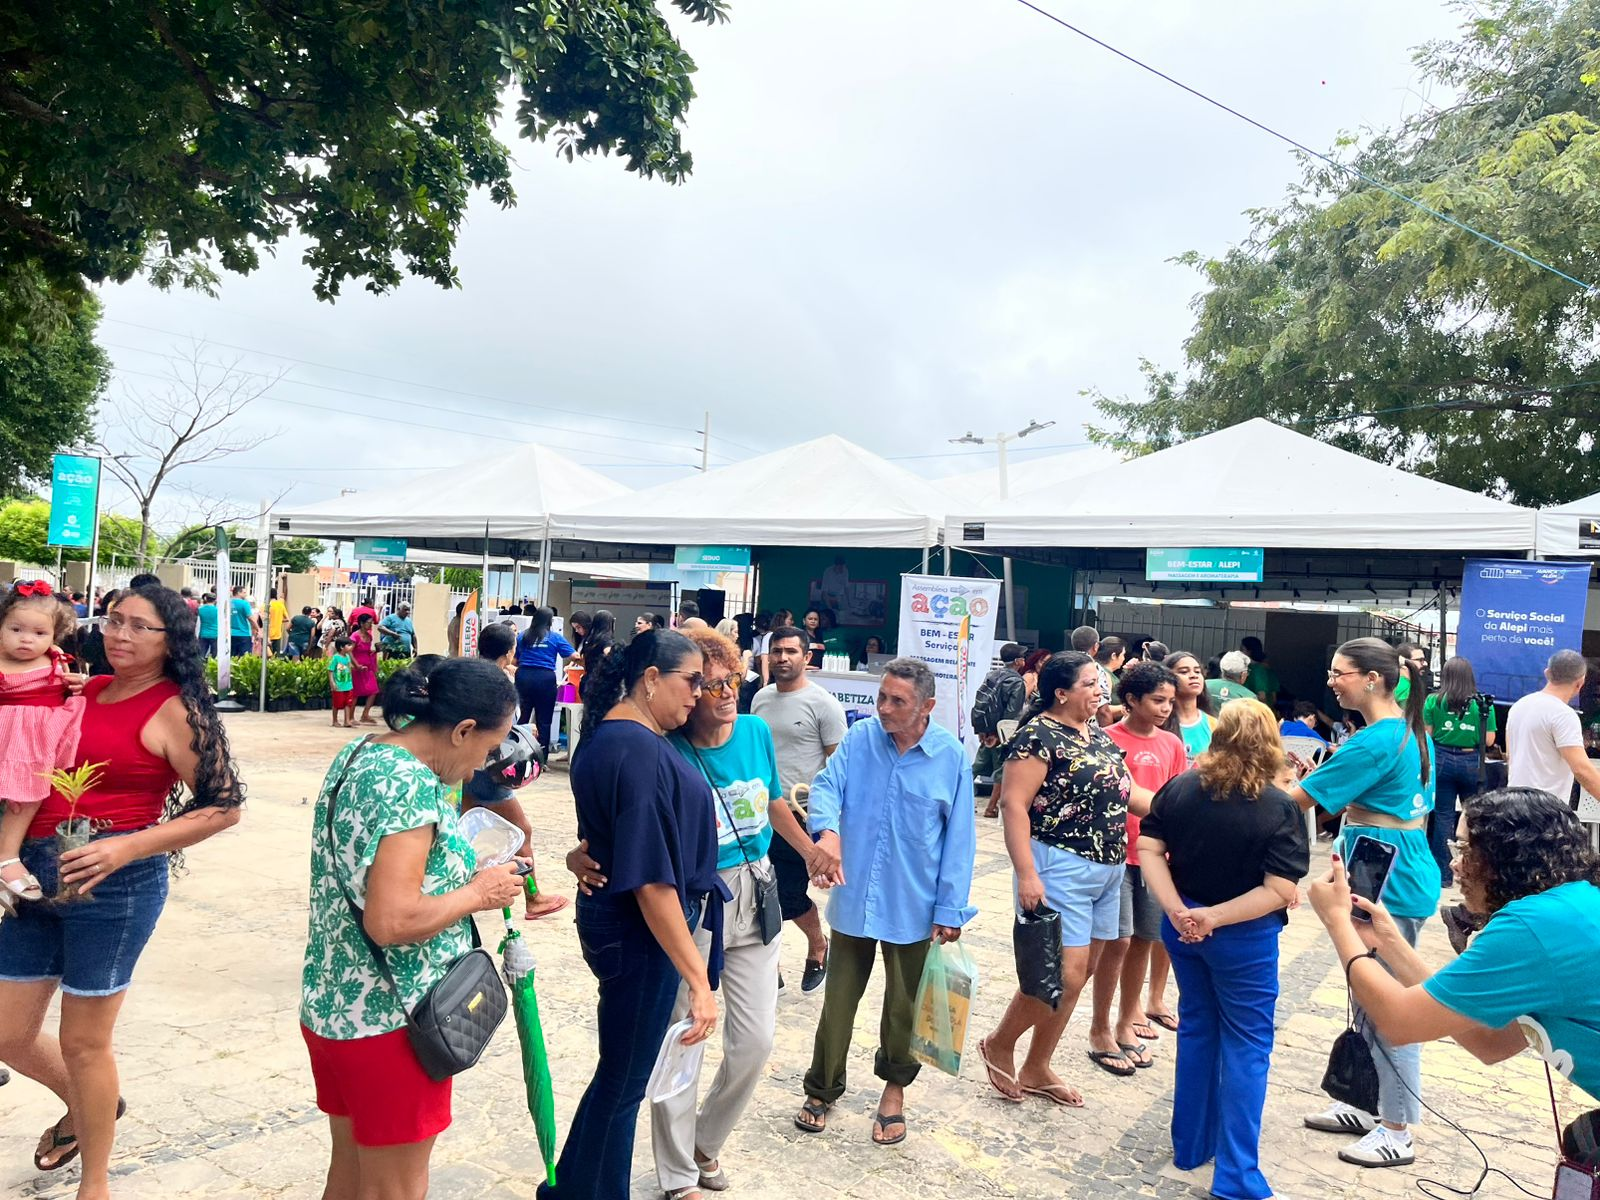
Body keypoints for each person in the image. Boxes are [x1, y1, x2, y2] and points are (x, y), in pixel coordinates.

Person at [0, 584, 244, 1192]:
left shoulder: (177, 710)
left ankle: (97, 1182)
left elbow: (225, 806)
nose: (120, 635)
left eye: (140, 627)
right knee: (6, 1033)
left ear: (172, 642)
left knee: (85, 1042)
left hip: (115, 885)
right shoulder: (85, 688)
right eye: (114, 621)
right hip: (34, 874)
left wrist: (129, 843)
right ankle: (93, 1108)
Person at [300, 657, 527, 1200]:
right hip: (395, 1020)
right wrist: (480, 893)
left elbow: (375, 877)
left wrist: (460, 872)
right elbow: (393, 920)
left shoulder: (363, 752)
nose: (480, 767)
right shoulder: (411, 789)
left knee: (350, 1178)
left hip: (336, 1007)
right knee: (394, 1189)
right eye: (486, 749)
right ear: (462, 730)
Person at [1308, 787, 1600, 1156]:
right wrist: (1388, 943)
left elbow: (1401, 1023)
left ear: (1507, 855)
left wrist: (1337, 922)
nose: (1454, 864)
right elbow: (1491, 1043)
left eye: (1465, 850)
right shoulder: (1571, 905)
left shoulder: (1532, 926)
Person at [539, 631, 727, 1200]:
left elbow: (610, 841)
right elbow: (651, 881)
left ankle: (570, 1187)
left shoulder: (614, 740)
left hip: (620, 925)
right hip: (639, 931)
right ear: (651, 679)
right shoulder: (636, 750)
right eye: (692, 681)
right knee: (624, 1084)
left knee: (618, 1078)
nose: (700, 693)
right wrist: (699, 981)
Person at [650, 626, 833, 1199]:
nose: (727, 693)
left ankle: (705, 1142)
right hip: (696, 900)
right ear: (687, 694)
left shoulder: (754, 731)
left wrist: (809, 852)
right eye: (710, 686)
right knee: (687, 1036)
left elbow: (773, 800)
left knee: (754, 1043)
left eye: (731, 680)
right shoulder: (667, 750)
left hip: (757, 889)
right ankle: (679, 1174)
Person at [794, 657, 976, 1145]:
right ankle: (822, 1087)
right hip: (854, 897)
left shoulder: (950, 757)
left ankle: (894, 1091)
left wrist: (950, 909)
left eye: (898, 701)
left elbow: (959, 841)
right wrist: (827, 832)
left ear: (927, 707)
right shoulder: (860, 739)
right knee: (838, 1001)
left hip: (913, 905)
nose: (885, 709)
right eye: (882, 697)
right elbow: (829, 785)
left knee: (904, 1007)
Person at [1138, 700, 1310, 1200]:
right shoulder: (1279, 807)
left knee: (1198, 1029)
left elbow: (1149, 848)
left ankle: (1190, 1145)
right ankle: (1236, 1175)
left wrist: (1177, 910)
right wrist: (1212, 918)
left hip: (1184, 924)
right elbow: (1280, 888)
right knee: (1247, 1046)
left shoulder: (1182, 787)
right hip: (1243, 936)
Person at [1282, 636, 1438, 1168]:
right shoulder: (1407, 730)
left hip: (1385, 874)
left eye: (1339, 671)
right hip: (1391, 865)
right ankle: (1367, 1104)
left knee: (1392, 1006)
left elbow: (1298, 800)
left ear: (1372, 678)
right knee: (1369, 993)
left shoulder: (1374, 741)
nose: (1331, 680)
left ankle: (1396, 1129)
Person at [978, 651, 1150, 1108]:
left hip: (1108, 869)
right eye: (1092, 683)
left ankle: (1037, 1066)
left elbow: (1130, 794)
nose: (1101, 690)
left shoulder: (1098, 736)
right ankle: (1000, 1042)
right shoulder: (1038, 736)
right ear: (1061, 692)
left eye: (1101, 683)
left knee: (1083, 971)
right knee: (1065, 974)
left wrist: (1191, 807)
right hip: (1060, 866)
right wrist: (1026, 874)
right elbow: (1014, 806)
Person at [1090, 662, 1186, 1073]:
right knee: (1118, 942)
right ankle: (1100, 1027)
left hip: (1155, 858)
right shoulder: (1106, 740)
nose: (1166, 708)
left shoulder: (1172, 745)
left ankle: (1128, 1020)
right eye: (1157, 700)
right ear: (1131, 700)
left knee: (1145, 939)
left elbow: (1178, 798)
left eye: (1169, 701)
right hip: (1114, 855)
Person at [751, 625, 848, 993]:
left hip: (800, 815)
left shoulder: (823, 704)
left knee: (789, 896)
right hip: (759, 813)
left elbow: (838, 770)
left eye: (791, 651)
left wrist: (831, 828)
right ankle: (768, 965)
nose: (782, 658)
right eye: (776, 651)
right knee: (757, 893)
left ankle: (818, 944)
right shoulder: (760, 699)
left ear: (807, 657)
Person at [463, 622, 567, 921]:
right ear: (509, 651)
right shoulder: (500, 683)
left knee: (467, 828)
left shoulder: (470, 675)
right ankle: (533, 897)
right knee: (522, 832)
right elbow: (499, 725)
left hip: (466, 767)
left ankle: (463, 884)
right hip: (491, 771)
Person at [0, 581, 86, 911]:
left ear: (54, 635)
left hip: (34, 744)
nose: (26, 639)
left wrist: (77, 686)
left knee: (28, 796)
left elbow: (73, 691)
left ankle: (7, 857)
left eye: (39, 633)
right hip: (5, 736)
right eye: (16, 629)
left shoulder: (57, 662)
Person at [1424, 657, 1496, 886]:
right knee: (1473, 818)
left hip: (1441, 758)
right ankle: (1472, 873)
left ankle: (1443, 877)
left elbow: (1427, 734)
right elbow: (1489, 739)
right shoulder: (1482, 703)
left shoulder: (1433, 701)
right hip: (1471, 760)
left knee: (1443, 816)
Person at [1507, 649, 1600, 803]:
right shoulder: (1563, 715)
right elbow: (1581, 769)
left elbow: (1510, 755)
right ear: (1580, 682)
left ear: (1547, 673)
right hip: (1544, 810)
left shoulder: (1519, 706)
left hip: (1513, 804)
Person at [973, 643, 1029, 820]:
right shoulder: (1017, 682)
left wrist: (983, 730)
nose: (1024, 660)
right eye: (1022, 657)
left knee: (976, 767)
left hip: (986, 730)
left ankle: (958, 797)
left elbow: (981, 702)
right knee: (1002, 770)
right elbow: (1013, 711)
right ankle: (990, 808)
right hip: (1001, 732)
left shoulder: (992, 675)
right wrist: (1000, 734)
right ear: (1018, 661)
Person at [514, 607, 575, 751]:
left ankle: (518, 752)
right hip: (545, 679)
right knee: (544, 720)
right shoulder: (555, 638)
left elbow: (515, 660)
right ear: (550, 621)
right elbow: (574, 656)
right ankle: (542, 758)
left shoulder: (522, 636)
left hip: (524, 677)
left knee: (522, 717)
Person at [1164, 651, 1216, 766]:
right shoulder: (1157, 722)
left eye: (1198, 671)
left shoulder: (1214, 725)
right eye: (1184, 672)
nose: (1194, 675)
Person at [351, 613, 382, 726]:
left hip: (367, 667)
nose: (370, 625)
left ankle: (365, 714)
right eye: (368, 623)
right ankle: (350, 716)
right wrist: (356, 665)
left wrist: (376, 651)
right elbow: (349, 652)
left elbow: (367, 651)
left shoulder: (369, 636)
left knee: (373, 690)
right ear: (361, 624)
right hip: (357, 667)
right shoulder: (355, 636)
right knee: (355, 693)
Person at [1093, 637, 1127, 726]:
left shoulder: (1105, 673)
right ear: (1114, 656)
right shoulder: (1104, 675)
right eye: (1123, 655)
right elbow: (1103, 708)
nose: (1124, 658)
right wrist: (1128, 708)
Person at [1239, 636, 1280, 707]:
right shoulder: (1267, 669)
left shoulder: (1256, 670)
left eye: (1242, 649)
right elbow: (1274, 697)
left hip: (1252, 708)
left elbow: (1262, 696)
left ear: (1249, 651)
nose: (1239, 652)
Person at [327, 638, 356, 728]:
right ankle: (335, 720)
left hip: (348, 684)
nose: (351, 647)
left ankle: (346, 721)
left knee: (348, 703)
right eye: (349, 645)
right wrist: (332, 682)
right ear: (342, 647)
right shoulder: (336, 658)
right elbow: (330, 670)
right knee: (337, 704)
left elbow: (349, 668)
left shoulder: (347, 657)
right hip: (339, 685)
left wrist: (351, 680)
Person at [228, 585, 260, 658]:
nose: (246, 594)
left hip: (230, 634)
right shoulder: (244, 603)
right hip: (243, 634)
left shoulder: (228, 602)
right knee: (244, 658)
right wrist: (258, 629)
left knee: (232, 657)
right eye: (244, 592)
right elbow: (251, 619)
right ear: (239, 593)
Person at [196, 592, 219, 657]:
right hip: (215, 634)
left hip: (203, 634)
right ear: (215, 600)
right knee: (214, 654)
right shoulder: (217, 610)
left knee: (201, 654)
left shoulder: (200, 609)